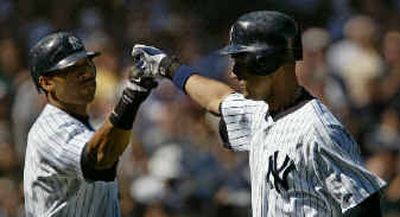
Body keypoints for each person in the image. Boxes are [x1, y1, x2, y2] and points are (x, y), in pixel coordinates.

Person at [131, 11, 386, 217]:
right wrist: (168, 67)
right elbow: (217, 98)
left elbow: (364, 204)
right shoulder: (260, 111)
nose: (233, 72)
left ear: (267, 61)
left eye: (241, 60)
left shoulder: (319, 129)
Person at [23, 32, 156, 216]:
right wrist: (130, 98)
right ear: (46, 82)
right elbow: (98, 159)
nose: (85, 74)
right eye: (71, 69)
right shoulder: (49, 129)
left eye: (86, 64)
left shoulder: (87, 128)